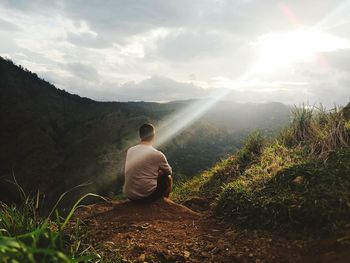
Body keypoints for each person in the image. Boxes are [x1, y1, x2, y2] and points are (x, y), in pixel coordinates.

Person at [123, 123, 172, 201]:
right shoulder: (157, 154)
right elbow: (169, 171)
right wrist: (159, 172)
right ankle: (164, 202)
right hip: (146, 196)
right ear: (153, 136)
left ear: (140, 136)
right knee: (167, 178)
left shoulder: (130, 150)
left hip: (130, 195)